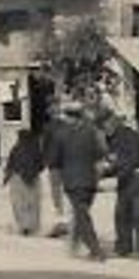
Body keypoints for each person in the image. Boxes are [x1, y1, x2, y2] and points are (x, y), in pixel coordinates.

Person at [46, 100, 108, 261]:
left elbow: (54, 161)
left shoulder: (61, 134)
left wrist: (56, 183)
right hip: (91, 180)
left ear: (67, 116)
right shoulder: (92, 131)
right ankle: (74, 247)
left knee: (81, 216)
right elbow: (101, 153)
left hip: (73, 181)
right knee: (81, 213)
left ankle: (95, 250)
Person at [104, 113, 139, 258]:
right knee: (121, 215)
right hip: (125, 181)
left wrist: (111, 170)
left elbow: (133, 159)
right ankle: (123, 248)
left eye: (105, 125)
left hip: (138, 179)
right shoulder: (113, 139)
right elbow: (115, 161)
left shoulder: (129, 136)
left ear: (113, 123)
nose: (105, 129)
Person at [1, 129, 45, 236]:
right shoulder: (36, 150)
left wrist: (6, 179)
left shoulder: (16, 149)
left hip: (18, 178)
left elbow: (10, 165)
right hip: (34, 179)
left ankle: (23, 225)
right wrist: (35, 173)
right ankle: (32, 226)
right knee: (33, 204)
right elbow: (42, 165)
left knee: (19, 203)